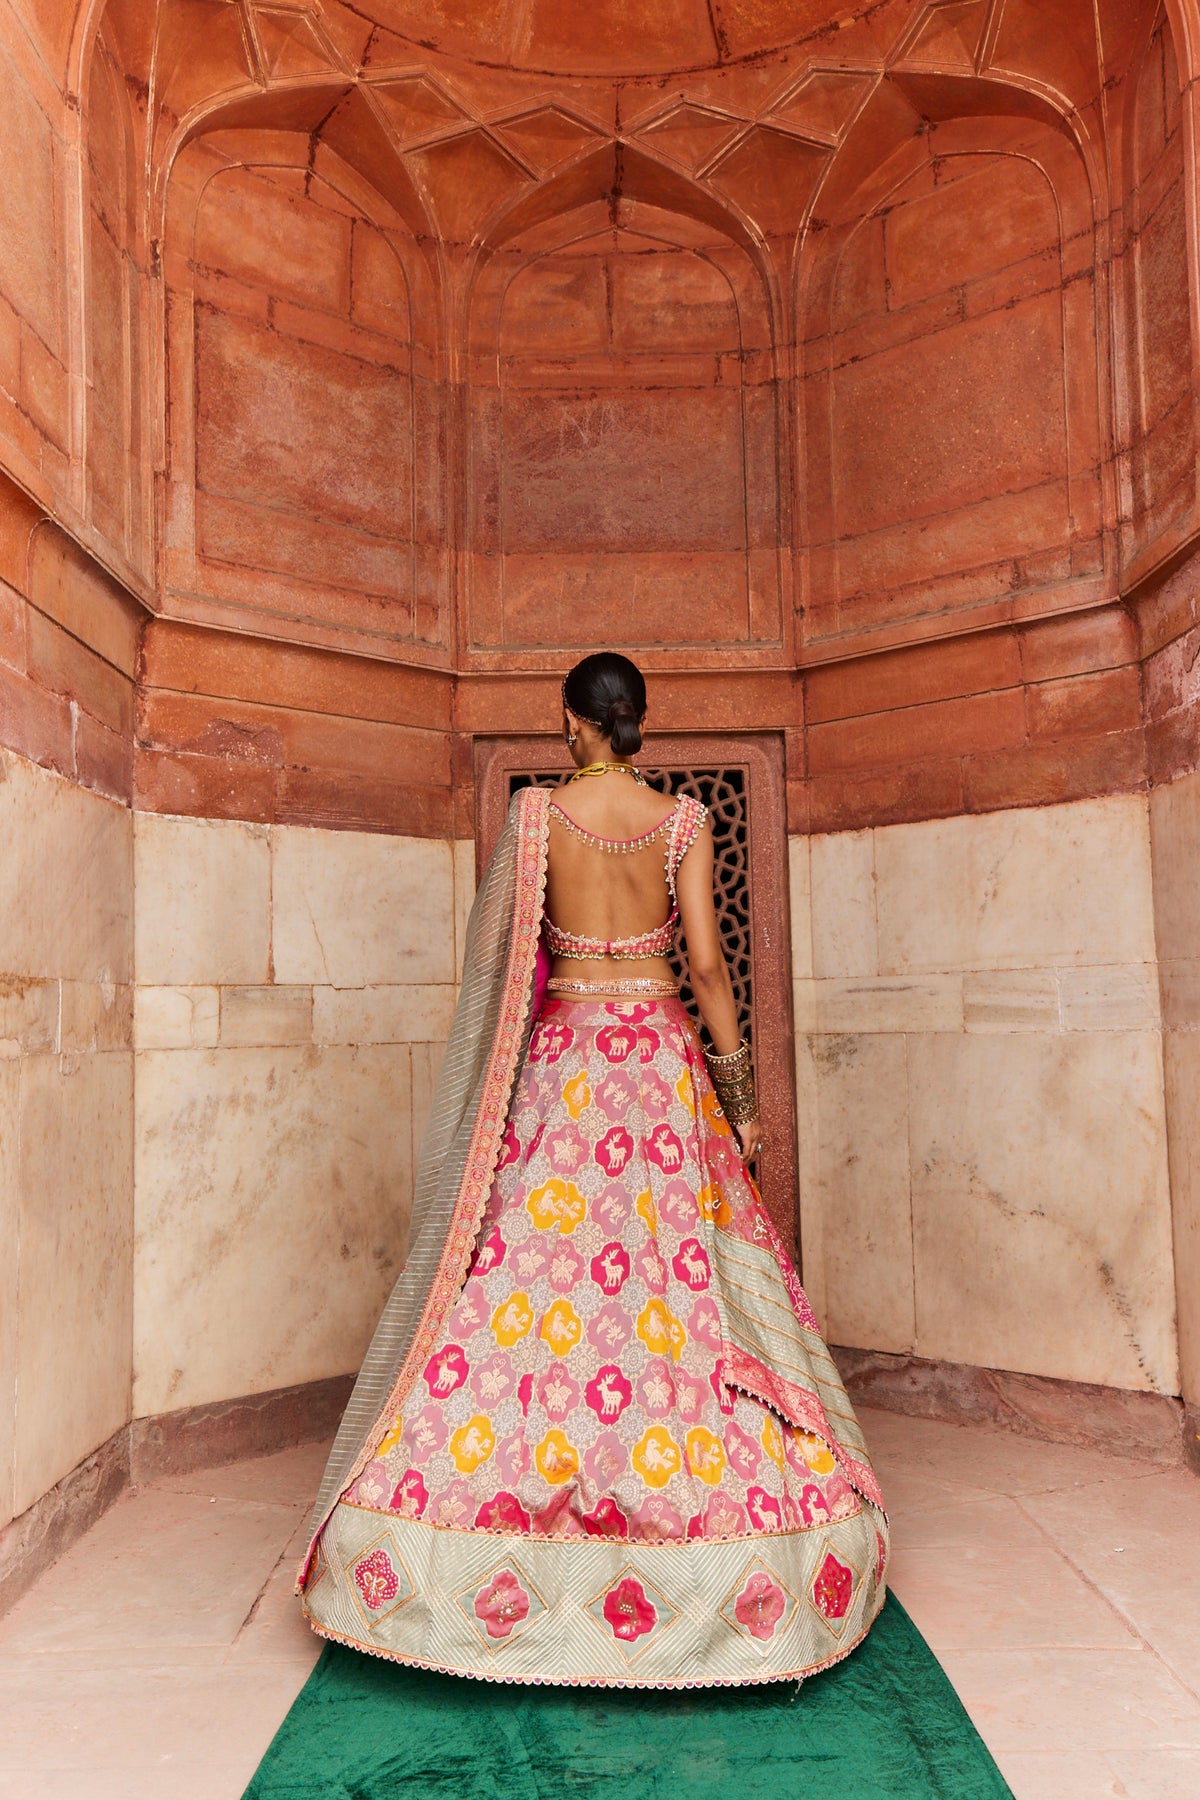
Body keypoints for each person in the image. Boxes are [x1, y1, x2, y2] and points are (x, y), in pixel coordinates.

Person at [298, 652, 888, 1686]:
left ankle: (443, 1547)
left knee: (521, 1284)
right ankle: (726, 1556)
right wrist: (740, 1099)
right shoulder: (683, 824)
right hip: (660, 1071)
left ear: (573, 723)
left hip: (565, 1073)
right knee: (676, 1288)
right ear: (635, 724)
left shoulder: (535, 822)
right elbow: (708, 965)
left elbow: (503, 972)